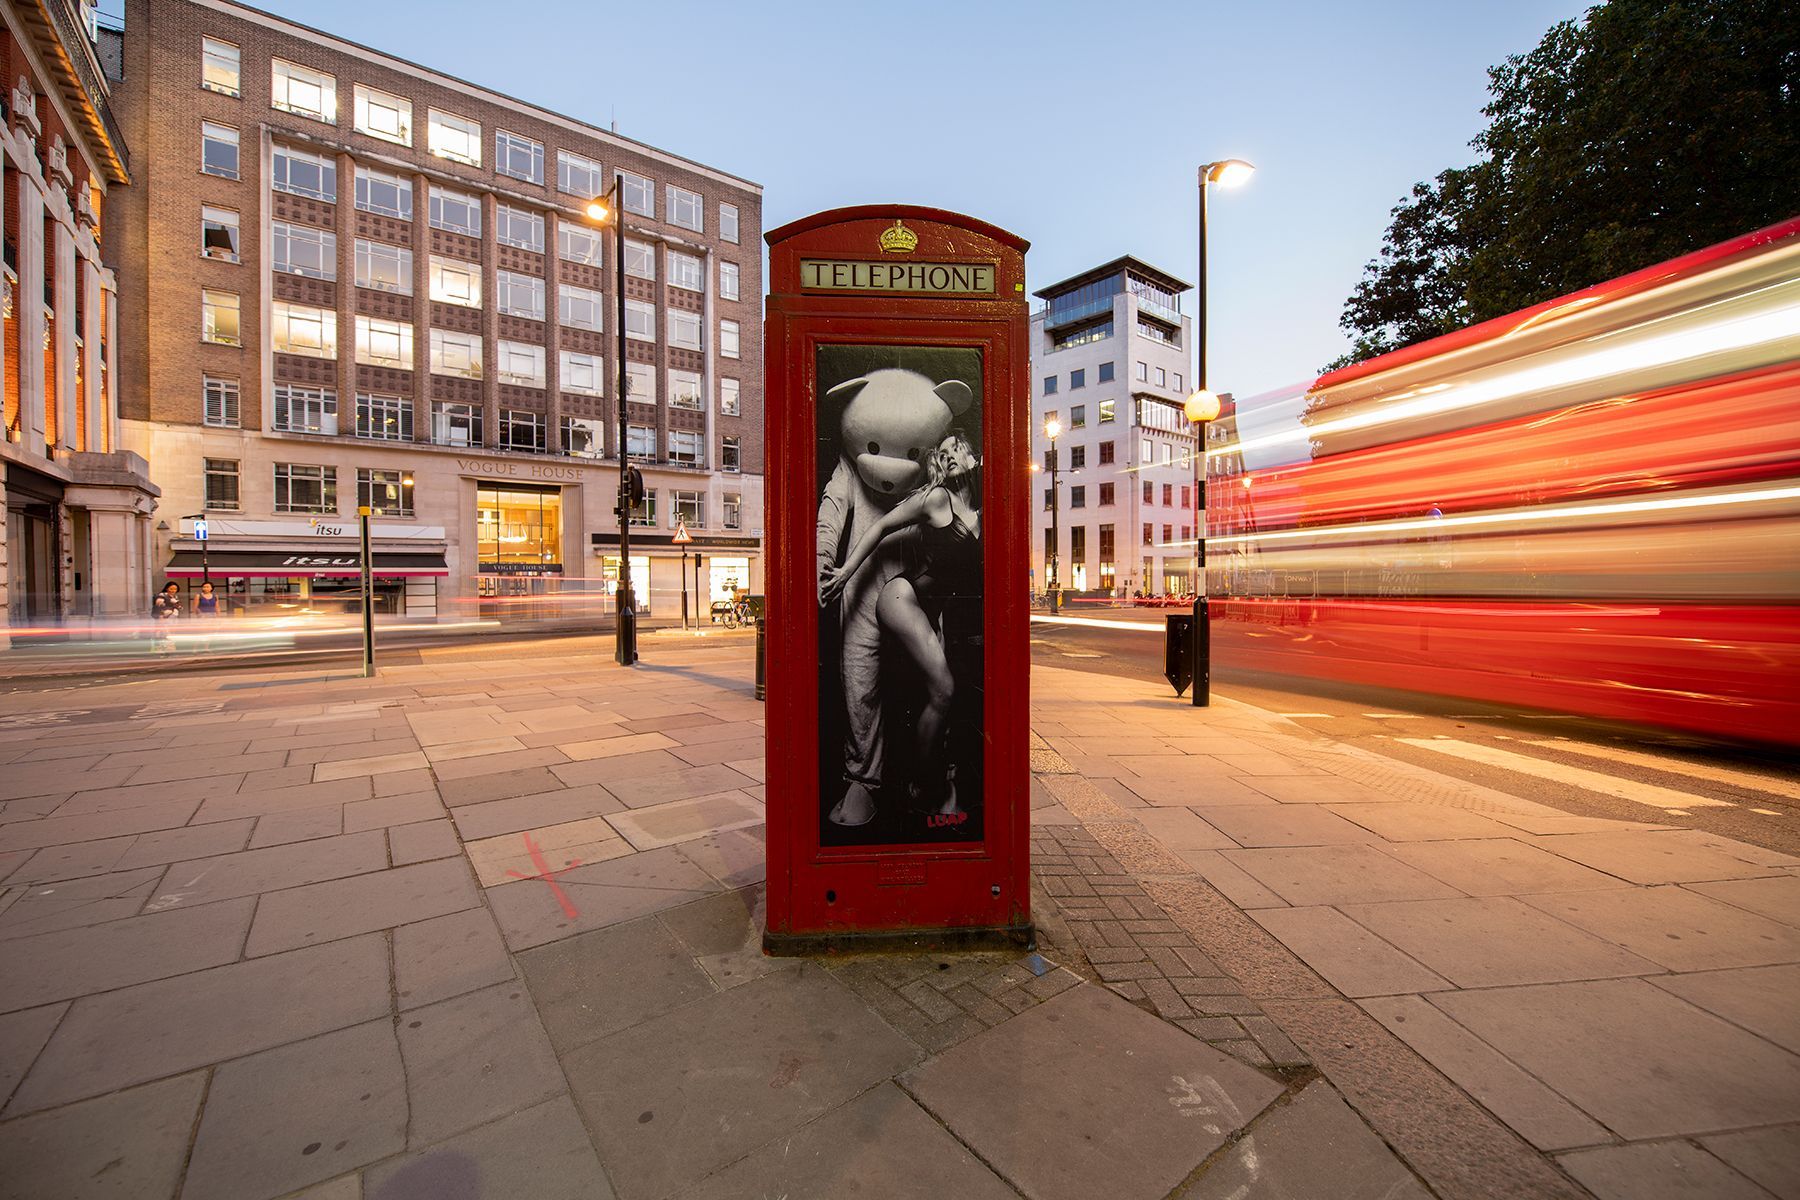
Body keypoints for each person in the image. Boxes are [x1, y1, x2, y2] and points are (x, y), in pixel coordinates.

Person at [821, 430, 981, 819]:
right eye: (941, 454)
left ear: (975, 458)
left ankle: (920, 781)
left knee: (934, 696)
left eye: (955, 450)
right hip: (900, 598)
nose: (947, 458)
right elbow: (880, 527)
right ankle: (929, 785)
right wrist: (844, 572)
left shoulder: (982, 513)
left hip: (932, 611)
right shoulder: (935, 499)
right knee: (943, 689)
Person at [152, 581, 181, 652]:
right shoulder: (162, 595)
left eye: (175, 589)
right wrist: (161, 616)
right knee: (161, 633)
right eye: (171, 589)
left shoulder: (175, 596)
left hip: (172, 618)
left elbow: (178, 606)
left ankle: (169, 649)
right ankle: (160, 650)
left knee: (169, 634)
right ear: (167, 588)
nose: (173, 590)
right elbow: (159, 606)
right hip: (163, 618)